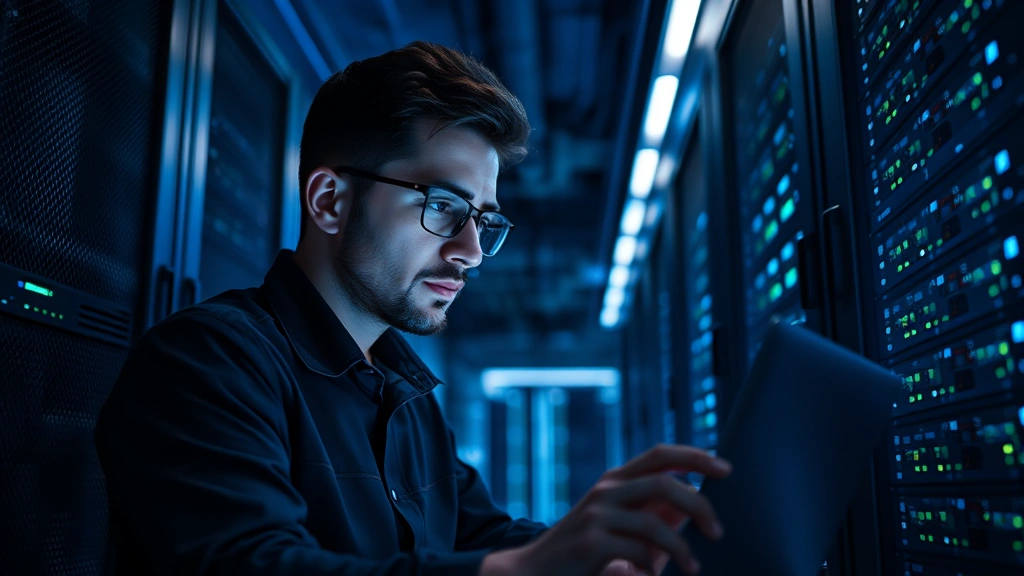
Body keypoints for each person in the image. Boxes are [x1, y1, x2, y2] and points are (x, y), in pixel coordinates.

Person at [94, 41, 731, 576]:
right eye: (444, 207)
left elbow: (483, 532)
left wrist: (606, 552)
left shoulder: (405, 393)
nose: (472, 252)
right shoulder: (208, 361)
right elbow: (252, 564)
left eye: (483, 220)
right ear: (330, 201)